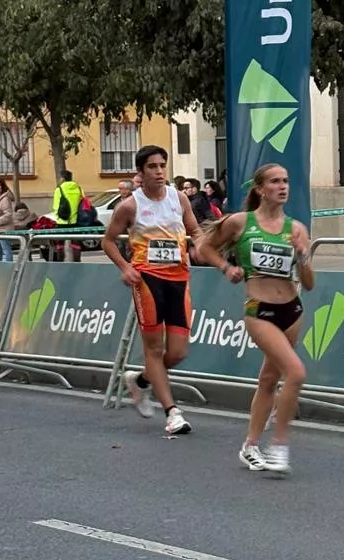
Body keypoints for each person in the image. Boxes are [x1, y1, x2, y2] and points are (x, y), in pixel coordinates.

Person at [198, 163, 314, 474]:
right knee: (296, 372)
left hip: (292, 311)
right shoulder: (240, 222)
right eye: (275, 181)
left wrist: (303, 255)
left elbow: (310, 283)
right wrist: (226, 268)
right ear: (260, 189)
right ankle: (279, 444)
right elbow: (204, 248)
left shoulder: (297, 229)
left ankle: (250, 446)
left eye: (286, 180)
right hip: (259, 310)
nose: (283, 186)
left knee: (268, 380)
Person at [102, 144, 204, 438]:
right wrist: (125, 267)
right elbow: (108, 241)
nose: (159, 172)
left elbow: (195, 230)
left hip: (179, 278)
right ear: (140, 172)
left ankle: (142, 380)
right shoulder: (129, 206)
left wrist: (199, 245)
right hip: (147, 280)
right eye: (152, 167)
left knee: (178, 352)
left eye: (162, 166)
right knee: (155, 349)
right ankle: (173, 413)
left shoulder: (179, 198)